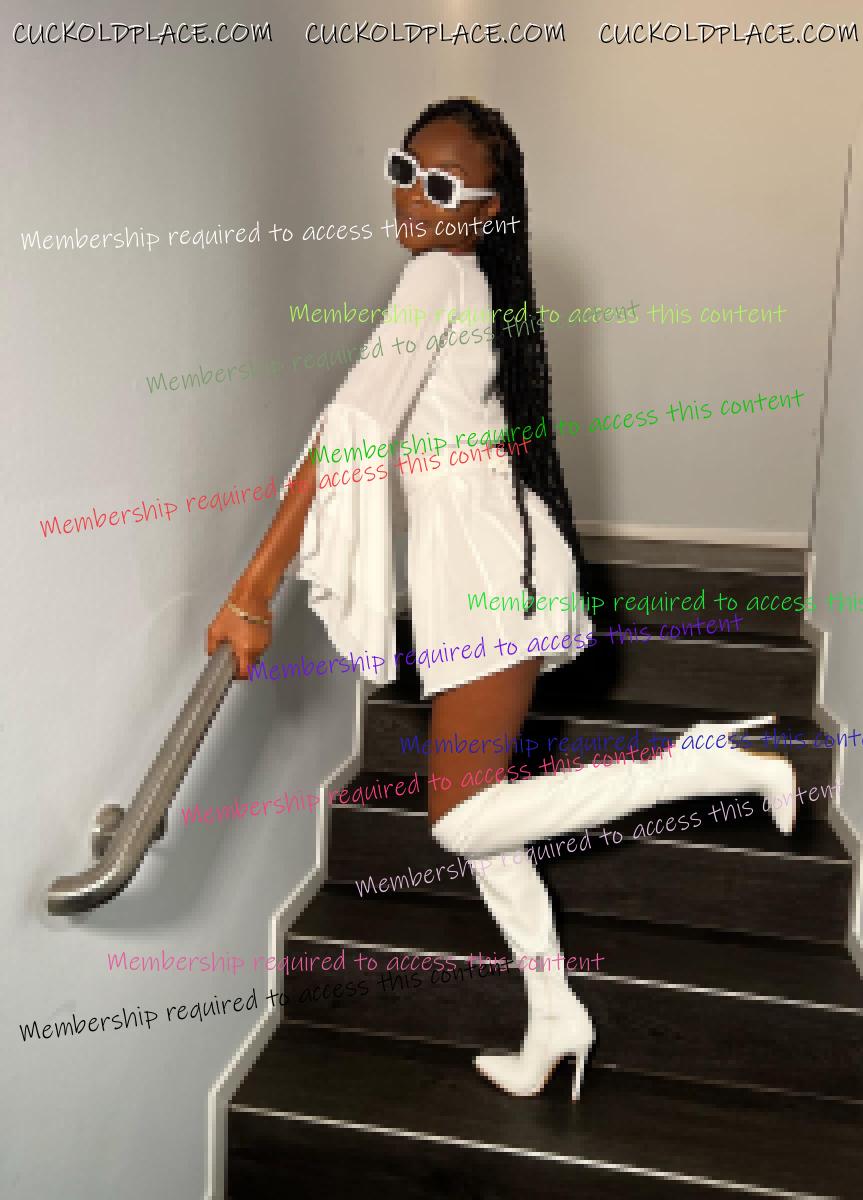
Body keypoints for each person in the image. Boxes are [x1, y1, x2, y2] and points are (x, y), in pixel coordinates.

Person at [207, 96, 797, 1104]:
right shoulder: (463, 278)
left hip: (487, 570)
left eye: (441, 185)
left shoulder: (437, 275)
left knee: (459, 819)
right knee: (486, 816)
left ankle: (694, 766)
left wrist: (253, 590)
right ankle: (554, 1011)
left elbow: (351, 432)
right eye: (404, 170)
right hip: (474, 563)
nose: (414, 197)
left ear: (484, 208)